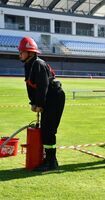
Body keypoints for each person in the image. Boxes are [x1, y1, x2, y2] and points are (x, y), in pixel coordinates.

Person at [18, 37, 65, 171]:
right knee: (46, 130)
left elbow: (43, 86)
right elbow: (31, 86)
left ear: (31, 53)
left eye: (22, 51)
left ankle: (51, 163)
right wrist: (33, 103)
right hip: (48, 99)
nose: (20, 54)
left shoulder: (38, 64)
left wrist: (39, 104)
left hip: (54, 98)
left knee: (48, 131)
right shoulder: (29, 65)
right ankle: (49, 160)